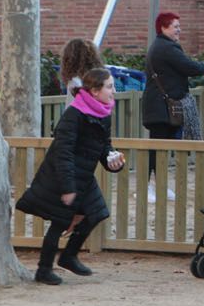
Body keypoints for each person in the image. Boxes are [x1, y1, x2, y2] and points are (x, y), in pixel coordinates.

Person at [16, 67, 126, 284]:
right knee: (59, 222)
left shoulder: (104, 113)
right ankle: (43, 270)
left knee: (97, 213)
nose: (114, 91)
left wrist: (113, 162)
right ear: (94, 91)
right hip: (61, 176)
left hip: (83, 176)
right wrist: (68, 187)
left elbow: (105, 146)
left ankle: (68, 256)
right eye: (110, 87)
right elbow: (62, 153)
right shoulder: (74, 114)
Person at [143, 12, 204, 141]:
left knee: (159, 151)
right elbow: (189, 67)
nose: (179, 30)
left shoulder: (159, 45)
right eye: (176, 27)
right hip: (162, 110)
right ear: (163, 27)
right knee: (159, 152)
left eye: (179, 27)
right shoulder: (167, 47)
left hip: (159, 109)